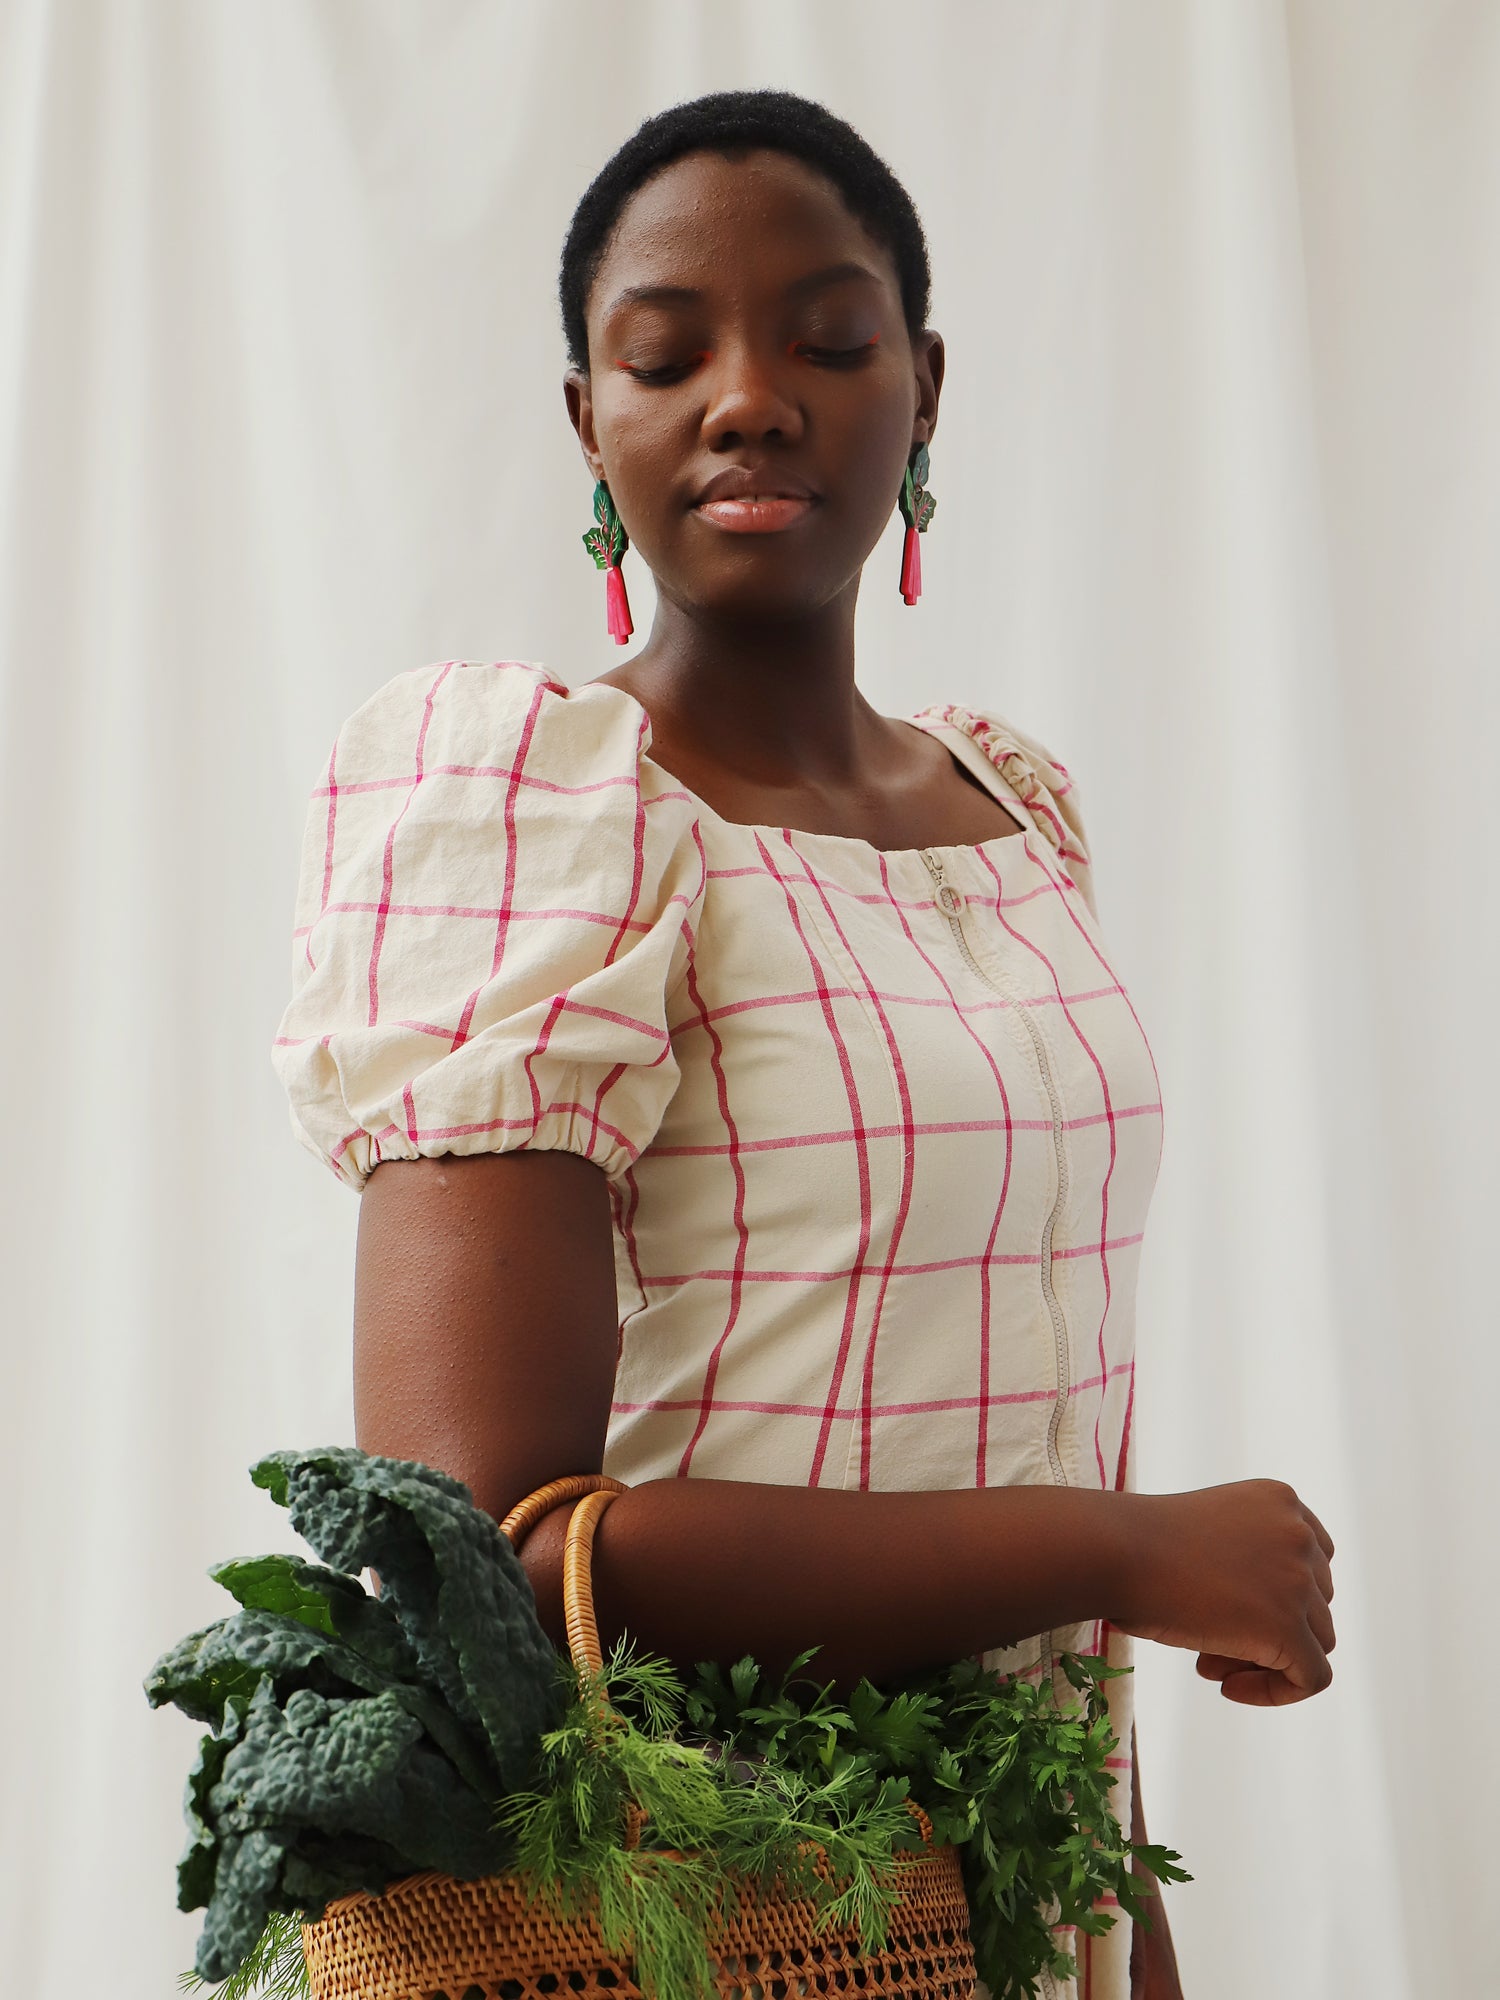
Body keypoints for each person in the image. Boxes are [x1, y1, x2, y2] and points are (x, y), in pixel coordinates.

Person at [272, 89, 1336, 2000]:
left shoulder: (1017, 812)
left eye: (828, 341)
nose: (748, 398)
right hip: (698, 1900)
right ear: (584, 418)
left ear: (923, 385)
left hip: (1015, 1880)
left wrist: (1121, 1913)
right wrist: (1122, 1548)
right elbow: (488, 1565)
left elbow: (1036, 1394)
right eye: (664, 355)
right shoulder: (541, 819)